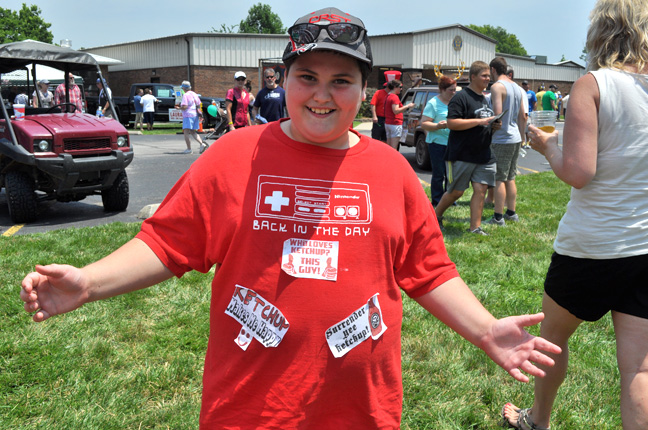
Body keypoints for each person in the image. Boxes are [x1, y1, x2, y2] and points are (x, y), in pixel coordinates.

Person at [20, 8, 561, 429]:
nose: (322, 95)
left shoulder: (390, 171)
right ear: (285, 79)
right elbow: (169, 243)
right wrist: (88, 282)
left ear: (365, 90)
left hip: (360, 410)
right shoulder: (235, 156)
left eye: (341, 81)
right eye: (308, 76)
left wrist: (485, 328)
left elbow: (427, 270)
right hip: (251, 409)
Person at [502, 1, 648, 429]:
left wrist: (548, 146)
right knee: (639, 371)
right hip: (643, 247)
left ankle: (537, 421)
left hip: (588, 248)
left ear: (601, 30)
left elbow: (579, 173)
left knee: (551, 342)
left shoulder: (593, 84)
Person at [434, 61, 500, 235]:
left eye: (488, 75)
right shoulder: (461, 97)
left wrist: (493, 125)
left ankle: (475, 227)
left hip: (484, 153)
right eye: (484, 76)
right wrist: (479, 121)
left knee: (481, 189)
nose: (488, 79)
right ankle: (435, 216)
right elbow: (452, 123)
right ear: (473, 77)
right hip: (463, 153)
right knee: (456, 191)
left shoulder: (484, 99)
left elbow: (483, 122)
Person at [486, 57, 525, 226]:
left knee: (499, 178)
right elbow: (522, 114)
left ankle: (498, 217)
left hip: (502, 138)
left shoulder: (497, 87)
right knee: (510, 177)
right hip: (515, 136)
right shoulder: (516, 86)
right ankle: (511, 212)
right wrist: (523, 137)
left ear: (493, 70)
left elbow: (498, 116)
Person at [420, 75, 456, 206]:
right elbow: (424, 123)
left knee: (451, 174)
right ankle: (436, 200)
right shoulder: (433, 103)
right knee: (439, 174)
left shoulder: (455, 102)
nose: (453, 92)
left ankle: (450, 199)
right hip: (437, 144)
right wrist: (437, 126)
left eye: (454, 90)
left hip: (452, 143)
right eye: (450, 90)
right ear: (442, 89)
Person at [177, 80, 207, 154]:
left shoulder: (185, 95)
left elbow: (185, 106)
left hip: (188, 115)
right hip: (195, 114)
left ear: (184, 88)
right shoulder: (194, 94)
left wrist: (179, 108)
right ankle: (202, 144)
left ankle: (189, 149)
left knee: (186, 132)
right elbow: (199, 104)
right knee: (193, 131)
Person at [384, 79, 415, 150]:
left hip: (388, 123)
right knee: (394, 148)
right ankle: (393, 160)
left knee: (389, 147)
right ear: (395, 87)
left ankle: (388, 160)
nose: (401, 89)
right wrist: (408, 106)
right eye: (400, 87)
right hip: (395, 123)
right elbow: (396, 110)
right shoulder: (394, 97)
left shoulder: (387, 96)